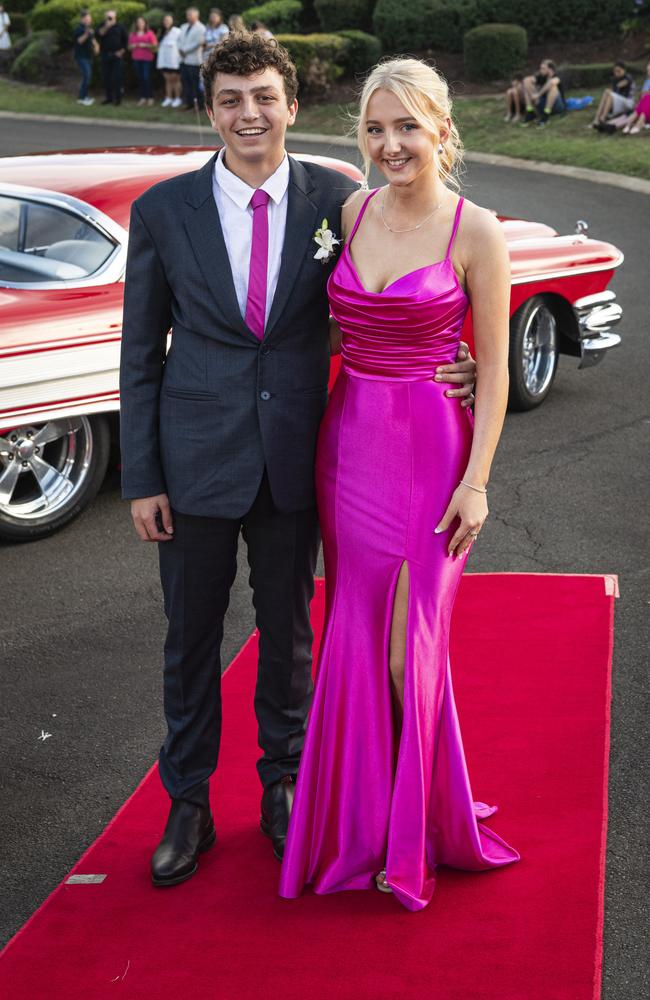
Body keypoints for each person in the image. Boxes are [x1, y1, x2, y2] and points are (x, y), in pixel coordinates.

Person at [119, 32, 476, 888]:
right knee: (189, 638)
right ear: (210, 110)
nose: (250, 114)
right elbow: (140, 353)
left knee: (289, 639)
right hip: (194, 460)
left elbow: (404, 277)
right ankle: (190, 803)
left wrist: (452, 361)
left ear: (290, 105)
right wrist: (143, 478)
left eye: (264, 98)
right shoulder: (164, 211)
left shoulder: (340, 200)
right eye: (232, 100)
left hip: (304, 459)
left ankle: (285, 787)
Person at [279, 57, 520, 910]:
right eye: (376, 129)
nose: (390, 145)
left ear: (441, 131)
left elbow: (489, 373)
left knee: (404, 649)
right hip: (347, 445)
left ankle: (416, 830)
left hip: (431, 450)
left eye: (407, 127)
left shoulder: (475, 230)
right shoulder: (350, 210)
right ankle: (361, 824)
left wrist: (479, 483)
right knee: (351, 630)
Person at [590, 61, 636, 127]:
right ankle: (597, 118)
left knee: (609, 93)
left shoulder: (628, 78)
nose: (617, 73)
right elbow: (614, 90)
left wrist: (613, 89)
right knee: (607, 92)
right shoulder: (615, 79)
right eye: (615, 71)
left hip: (628, 102)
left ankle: (602, 118)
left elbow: (620, 85)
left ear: (624, 70)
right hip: (619, 101)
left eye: (619, 71)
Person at [522, 59, 565, 126]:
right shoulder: (541, 77)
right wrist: (533, 95)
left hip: (557, 106)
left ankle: (545, 117)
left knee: (553, 87)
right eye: (541, 68)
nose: (540, 70)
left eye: (543, 68)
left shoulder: (558, 76)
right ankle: (530, 112)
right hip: (543, 103)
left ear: (550, 69)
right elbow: (526, 80)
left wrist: (538, 95)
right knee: (526, 81)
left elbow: (552, 82)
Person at [98, 9, 128, 106]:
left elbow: (126, 41)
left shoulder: (120, 27)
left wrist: (121, 51)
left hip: (117, 55)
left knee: (117, 77)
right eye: (108, 17)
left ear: (115, 17)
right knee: (106, 77)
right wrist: (107, 26)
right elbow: (99, 34)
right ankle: (109, 98)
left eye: (111, 17)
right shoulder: (102, 25)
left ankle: (118, 99)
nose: (109, 18)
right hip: (105, 55)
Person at [178, 6, 205, 111]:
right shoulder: (183, 26)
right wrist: (180, 49)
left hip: (194, 60)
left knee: (195, 83)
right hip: (183, 60)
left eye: (190, 15)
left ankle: (198, 104)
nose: (188, 17)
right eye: (187, 14)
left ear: (196, 16)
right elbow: (179, 40)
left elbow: (198, 43)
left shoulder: (201, 28)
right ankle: (188, 103)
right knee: (186, 82)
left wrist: (184, 50)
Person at [129, 15, 157, 107]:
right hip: (136, 59)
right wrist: (132, 46)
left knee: (146, 78)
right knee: (140, 78)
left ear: (145, 23)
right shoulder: (133, 34)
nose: (140, 24)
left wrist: (145, 45)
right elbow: (129, 47)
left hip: (147, 59)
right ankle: (143, 97)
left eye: (142, 22)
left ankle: (150, 98)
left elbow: (155, 45)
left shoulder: (149, 33)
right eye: (138, 22)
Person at [157, 13, 182, 108]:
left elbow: (181, 45)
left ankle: (177, 98)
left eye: (168, 20)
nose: (166, 22)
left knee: (176, 80)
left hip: (175, 60)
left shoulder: (177, 31)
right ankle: (169, 98)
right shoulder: (162, 32)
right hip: (164, 60)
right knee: (167, 80)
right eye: (165, 20)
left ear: (172, 21)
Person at [73, 9, 97, 106]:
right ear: (82, 19)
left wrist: (96, 46)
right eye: (86, 18)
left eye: (89, 18)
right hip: (81, 57)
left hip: (88, 56)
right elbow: (79, 41)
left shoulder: (89, 29)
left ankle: (85, 96)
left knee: (88, 76)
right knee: (86, 76)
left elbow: (92, 41)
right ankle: (81, 98)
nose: (88, 20)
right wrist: (87, 33)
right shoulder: (79, 29)